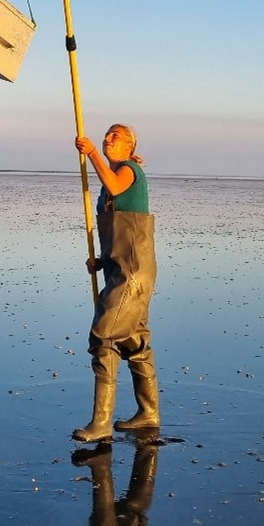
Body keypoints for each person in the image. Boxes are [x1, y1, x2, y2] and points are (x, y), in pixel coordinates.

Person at [71, 123, 160, 440]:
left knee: (105, 336)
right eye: (107, 135)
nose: (109, 139)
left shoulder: (129, 171)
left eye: (116, 136)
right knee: (135, 341)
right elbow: (119, 234)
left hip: (133, 273)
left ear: (129, 147)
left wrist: (91, 150)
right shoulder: (108, 188)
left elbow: (114, 183)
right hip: (120, 269)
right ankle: (149, 414)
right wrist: (100, 260)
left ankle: (101, 423)